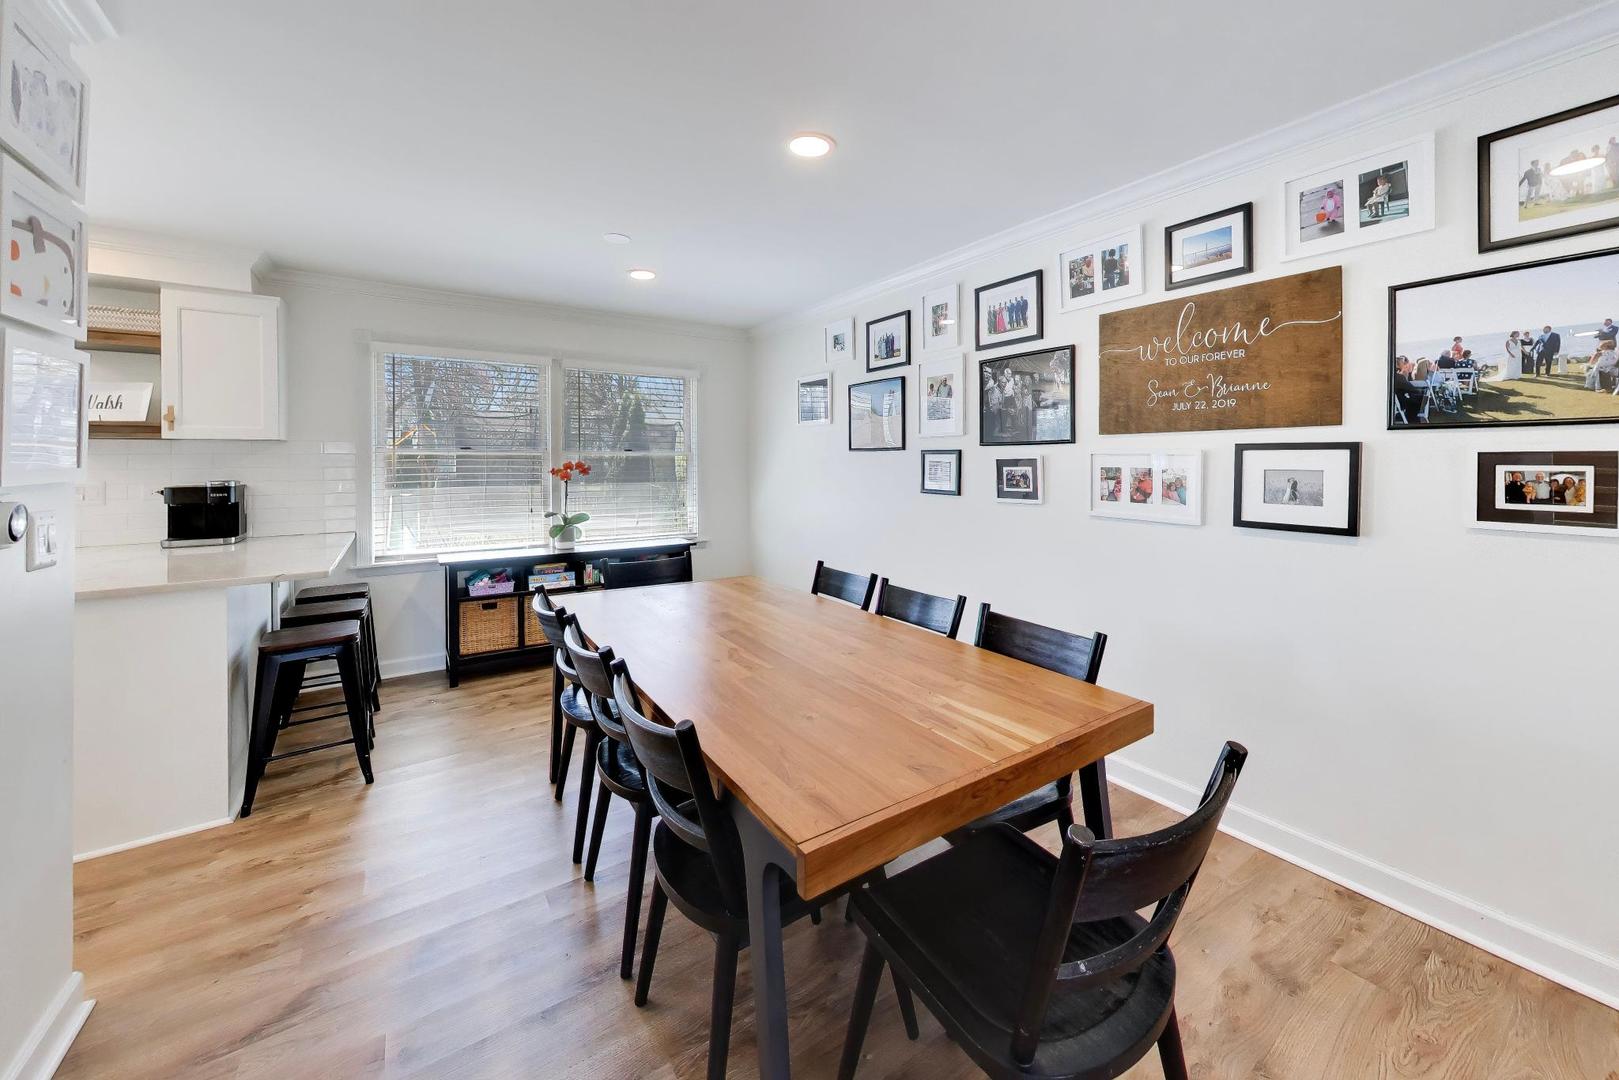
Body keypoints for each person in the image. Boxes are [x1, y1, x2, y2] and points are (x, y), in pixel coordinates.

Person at [1393, 357, 1425, 423]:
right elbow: (1413, 390)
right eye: (1403, 363)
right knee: (1420, 398)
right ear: (1399, 365)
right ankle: (1412, 420)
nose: (1405, 365)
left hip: (1392, 401)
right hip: (1398, 402)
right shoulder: (1399, 377)